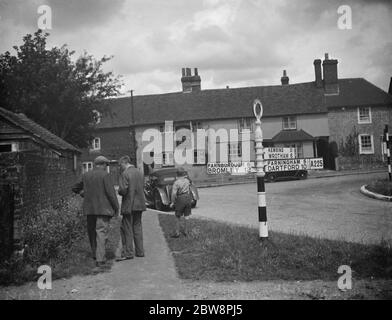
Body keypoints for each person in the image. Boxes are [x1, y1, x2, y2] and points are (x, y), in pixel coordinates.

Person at [72, 156, 119, 269]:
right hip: (103, 209)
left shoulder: (86, 175)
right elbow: (111, 194)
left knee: (92, 233)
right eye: (106, 165)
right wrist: (116, 208)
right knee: (101, 232)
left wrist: (83, 193)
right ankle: (100, 259)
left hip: (90, 209)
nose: (106, 167)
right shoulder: (105, 175)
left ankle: (95, 254)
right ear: (102, 164)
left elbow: (74, 187)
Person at [116, 156, 147, 261]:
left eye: (120, 165)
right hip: (140, 204)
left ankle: (129, 253)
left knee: (127, 228)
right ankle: (140, 251)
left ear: (124, 163)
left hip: (129, 204)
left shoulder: (125, 174)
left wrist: (119, 191)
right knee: (137, 227)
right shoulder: (139, 173)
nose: (119, 167)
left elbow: (123, 190)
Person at [170, 167, 192, 238]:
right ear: (184, 174)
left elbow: (173, 194)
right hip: (188, 197)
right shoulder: (187, 181)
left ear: (177, 174)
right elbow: (189, 189)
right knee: (187, 216)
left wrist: (172, 202)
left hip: (180, 198)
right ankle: (186, 231)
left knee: (177, 216)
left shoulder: (176, 183)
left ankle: (177, 233)